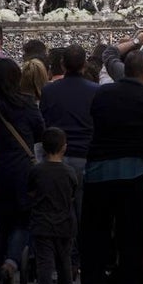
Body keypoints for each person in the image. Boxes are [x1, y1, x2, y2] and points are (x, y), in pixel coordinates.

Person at [80, 50, 143, 284]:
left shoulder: (102, 93)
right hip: (133, 171)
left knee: (95, 230)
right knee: (130, 232)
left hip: (98, 170)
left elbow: (94, 118)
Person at [0, 58, 45, 284]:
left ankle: (0, 273)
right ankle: (10, 262)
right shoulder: (26, 104)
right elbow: (41, 132)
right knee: (23, 220)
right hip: (22, 169)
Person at [39, 44, 98, 271]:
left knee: (57, 210)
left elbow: (44, 120)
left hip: (56, 158)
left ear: (62, 64)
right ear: (84, 66)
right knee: (82, 212)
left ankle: (61, 257)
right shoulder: (95, 90)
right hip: (84, 156)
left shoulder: (49, 90)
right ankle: (77, 259)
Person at [28, 127, 78, 284]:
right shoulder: (69, 172)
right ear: (64, 147)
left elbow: (31, 193)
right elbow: (72, 194)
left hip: (42, 224)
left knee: (45, 265)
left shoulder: (37, 171)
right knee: (65, 264)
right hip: (65, 224)